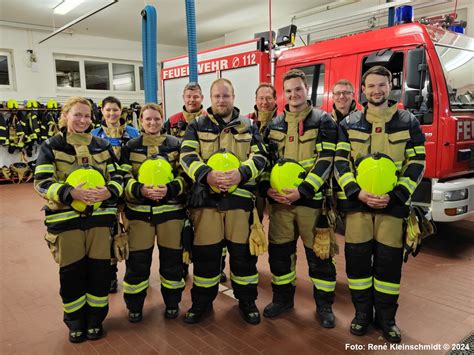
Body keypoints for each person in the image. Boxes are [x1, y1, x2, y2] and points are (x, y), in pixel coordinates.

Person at [334, 66, 426, 343]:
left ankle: (387, 320)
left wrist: (397, 195)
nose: (376, 91)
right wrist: (356, 192)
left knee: (388, 268)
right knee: (358, 265)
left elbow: (417, 163)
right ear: (363, 90)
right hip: (358, 208)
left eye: (382, 85)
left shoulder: (408, 121)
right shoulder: (348, 123)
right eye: (371, 86)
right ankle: (362, 315)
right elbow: (341, 163)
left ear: (390, 87)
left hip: (392, 208)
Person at [34, 96, 123, 343]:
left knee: (99, 273)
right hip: (66, 223)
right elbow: (41, 183)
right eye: (77, 115)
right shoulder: (51, 146)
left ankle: (95, 321)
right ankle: (75, 323)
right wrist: (70, 193)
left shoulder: (101, 146)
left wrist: (109, 191)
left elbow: (118, 178)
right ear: (66, 116)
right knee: (72, 274)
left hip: (100, 221)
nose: (82, 120)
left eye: (86, 116)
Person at [180, 78, 267, 324]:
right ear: (210, 98)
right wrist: (206, 175)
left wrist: (242, 173)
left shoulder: (249, 125)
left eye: (226, 96)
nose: (221, 100)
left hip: (240, 204)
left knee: (244, 257)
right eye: (217, 96)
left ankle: (247, 301)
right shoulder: (196, 125)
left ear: (233, 97)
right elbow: (186, 155)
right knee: (206, 257)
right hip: (207, 203)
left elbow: (260, 157)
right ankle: (202, 303)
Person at [262, 69, 338, 328]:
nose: (294, 94)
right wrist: (267, 189)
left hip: (311, 203)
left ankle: (324, 306)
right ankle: (283, 300)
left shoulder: (324, 120)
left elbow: (326, 161)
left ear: (307, 91)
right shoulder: (274, 124)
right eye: (289, 90)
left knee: (320, 258)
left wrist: (303, 190)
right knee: (280, 255)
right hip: (280, 205)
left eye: (298, 89)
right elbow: (266, 162)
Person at [120, 103, 187, 322]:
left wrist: (170, 189)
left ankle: (172, 303)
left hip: (171, 213)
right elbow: (123, 176)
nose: (152, 123)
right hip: (139, 214)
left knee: (172, 262)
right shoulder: (130, 146)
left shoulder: (176, 144)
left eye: (156, 119)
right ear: (141, 121)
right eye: (147, 119)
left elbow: (185, 175)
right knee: (137, 262)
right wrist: (140, 190)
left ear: (162, 120)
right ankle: (135, 306)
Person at [164, 82, 227, 282]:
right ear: (183, 97)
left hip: (206, 184)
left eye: (196, 96)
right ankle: (182, 264)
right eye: (189, 96)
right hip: (182, 184)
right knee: (183, 227)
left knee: (214, 229)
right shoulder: (172, 121)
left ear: (202, 98)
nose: (192, 100)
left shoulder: (210, 120)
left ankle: (219, 266)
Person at [91, 96, 140, 293]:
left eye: (115, 110)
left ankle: (133, 274)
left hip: (128, 192)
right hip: (107, 193)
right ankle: (110, 276)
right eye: (108, 110)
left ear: (122, 111)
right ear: (102, 111)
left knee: (132, 233)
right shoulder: (94, 134)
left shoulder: (132, 132)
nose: (112, 114)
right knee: (108, 235)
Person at [247, 83, 278, 222]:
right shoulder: (246, 122)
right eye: (261, 98)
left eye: (268, 98)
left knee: (279, 226)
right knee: (254, 223)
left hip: (276, 181)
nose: (264, 102)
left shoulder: (283, 122)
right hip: (254, 181)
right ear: (256, 99)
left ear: (275, 99)